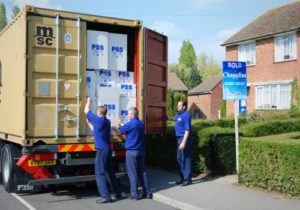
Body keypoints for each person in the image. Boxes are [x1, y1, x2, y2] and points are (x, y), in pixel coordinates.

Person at [84, 97, 121, 203]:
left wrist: (88, 102)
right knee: (110, 172)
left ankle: (106, 196)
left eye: (97, 111)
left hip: (101, 150)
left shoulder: (97, 119)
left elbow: (86, 111)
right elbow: (97, 130)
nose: (96, 112)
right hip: (108, 149)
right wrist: (89, 124)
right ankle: (118, 193)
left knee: (100, 173)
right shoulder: (106, 121)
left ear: (100, 112)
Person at [116, 107, 152, 200]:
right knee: (142, 172)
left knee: (133, 173)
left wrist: (119, 123)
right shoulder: (141, 123)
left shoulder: (130, 124)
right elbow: (129, 128)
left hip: (132, 152)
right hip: (141, 151)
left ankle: (135, 195)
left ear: (132, 114)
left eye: (129, 114)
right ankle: (147, 193)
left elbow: (121, 130)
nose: (128, 115)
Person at [175, 99, 192, 186]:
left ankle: (187, 179)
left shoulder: (186, 115)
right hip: (179, 139)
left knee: (186, 158)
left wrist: (183, 142)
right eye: (178, 105)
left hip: (184, 139)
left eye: (179, 105)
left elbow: (187, 130)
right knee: (179, 158)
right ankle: (182, 177)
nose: (177, 106)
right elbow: (177, 120)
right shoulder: (178, 114)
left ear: (184, 106)